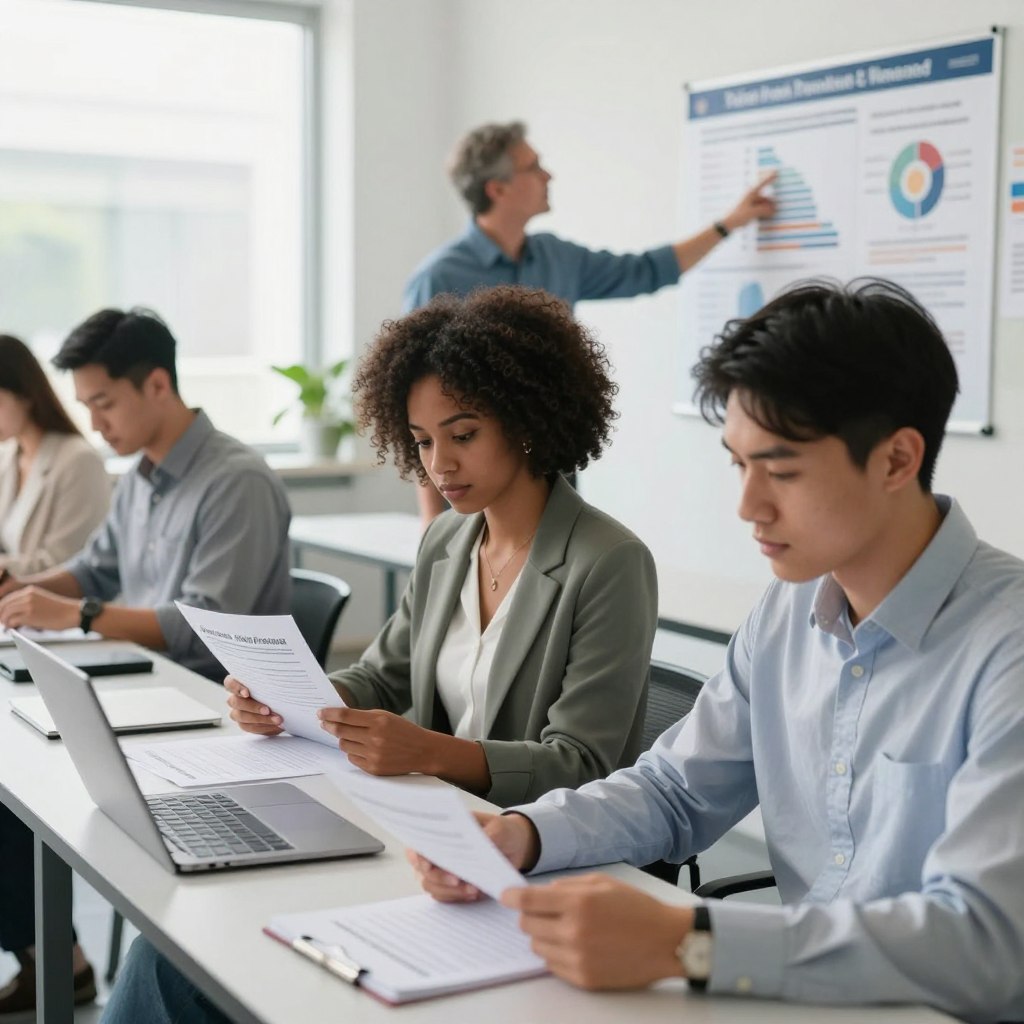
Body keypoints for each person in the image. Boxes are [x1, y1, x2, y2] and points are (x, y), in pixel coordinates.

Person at [408, 280, 1024, 1023]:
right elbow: (677, 791)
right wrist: (525, 831)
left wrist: (690, 942)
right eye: (738, 464)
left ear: (896, 460)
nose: (748, 506)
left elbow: (987, 945)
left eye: (782, 469)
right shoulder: (790, 607)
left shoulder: (1006, 648)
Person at [101, 285, 660, 1024]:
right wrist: (295, 696)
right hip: (421, 830)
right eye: (424, 442)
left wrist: (429, 751)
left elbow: (583, 762)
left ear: (527, 421)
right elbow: (386, 673)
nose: (440, 465)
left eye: (463, 434)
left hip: (525, 856)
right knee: (176, 948)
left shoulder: (607, 560)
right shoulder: (448, 540)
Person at [0, 307, 292, 1019]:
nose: (95, 424)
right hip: (148, 691)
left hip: (213, 714)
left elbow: (197, 623)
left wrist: (78, 615)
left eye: (104, 403)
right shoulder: (142, 478)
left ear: (157, 384)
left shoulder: (236, 481)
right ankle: (48, 956)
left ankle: (61, 963)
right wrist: (28, 591)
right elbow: (95, 568)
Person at [404, 120, 777, 523]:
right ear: (498, 189)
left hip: (549, 463)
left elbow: (645, 271)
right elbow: (420, 404)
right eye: (534, 166)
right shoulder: (439, 277)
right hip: (470, 474)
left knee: (556, 578)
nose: (548, 175)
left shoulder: (556, 257)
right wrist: (432, 523)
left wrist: (728, 224)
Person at [0, 334, 110, 578]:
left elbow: (67, 564)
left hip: (56, 607)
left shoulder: (78, 461)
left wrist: (5, 570)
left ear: (25, 395)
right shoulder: (8, 457)